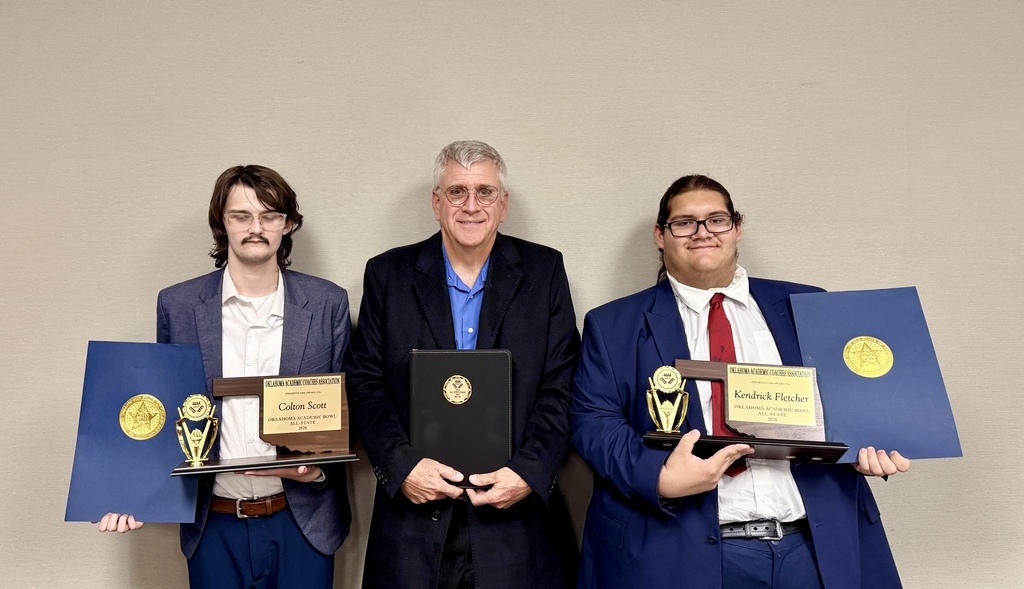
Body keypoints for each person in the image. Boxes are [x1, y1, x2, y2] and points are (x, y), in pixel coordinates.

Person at [570, 174, 910, 589]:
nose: (702, 233)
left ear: (737, 229)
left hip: (814, 546)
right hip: (681, 548)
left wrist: (867, 445)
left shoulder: (809, 306)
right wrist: (658, 476)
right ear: (661, 235)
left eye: (717, 220)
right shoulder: (612, 325)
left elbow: (852, 406)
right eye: (684, 223)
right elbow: (594, 423)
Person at [99, 165, 351, 589]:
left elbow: (351, 406)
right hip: (212, 523)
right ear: (222, 222)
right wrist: (131, 491)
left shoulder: (328, 303)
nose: (256, 228)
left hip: (303, 522)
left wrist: (315, 469)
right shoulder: (177, 306)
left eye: (270, 216)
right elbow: (161, 407)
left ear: (288, 224)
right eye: (241, 216)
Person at [345, 140, 580, 589]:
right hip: (412, 523)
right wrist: (402, 467)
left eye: (485, 192)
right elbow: (366, 383)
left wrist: (529, 472)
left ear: (503, 204)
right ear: (437, 202)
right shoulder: (387, 275)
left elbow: (561, 381)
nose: (471, 205)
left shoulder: (545, 270)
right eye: (457, 192)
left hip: (516, 521)